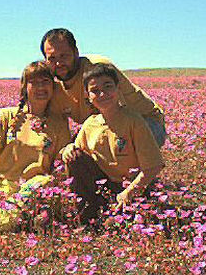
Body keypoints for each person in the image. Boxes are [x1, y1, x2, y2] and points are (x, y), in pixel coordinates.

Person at [0, 61, 71, 229]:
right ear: (24, 88)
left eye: (45, 82)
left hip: (30, 188)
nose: (40, 88)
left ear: (53, 87)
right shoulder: (6, 116)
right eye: (34, 82)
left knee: (41, 184)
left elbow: (61, 159)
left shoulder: (59, 123)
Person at [61, 63, 165, 222]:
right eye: (95, 91)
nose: (102, 94)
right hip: (102, 186)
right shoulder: (91, 123)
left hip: (131, 186)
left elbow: (153, 166)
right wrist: (67, 149)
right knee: (74, 158)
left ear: (118, 89)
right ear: (88, 96)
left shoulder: (134, 121)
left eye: (108, 87)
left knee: (121, 223)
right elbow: (76, 151)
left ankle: (104, 213)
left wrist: (128, 193)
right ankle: (87, 212)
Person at [41, 28, 166, 147]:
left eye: (64, 56)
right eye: (52, 58)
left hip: (146, 122)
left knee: (110, 148)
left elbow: (121, 114)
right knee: (75, 154)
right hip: (106, 127)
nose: (59, 63)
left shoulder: (97, 69)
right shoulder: (55, 87)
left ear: (76, 52)